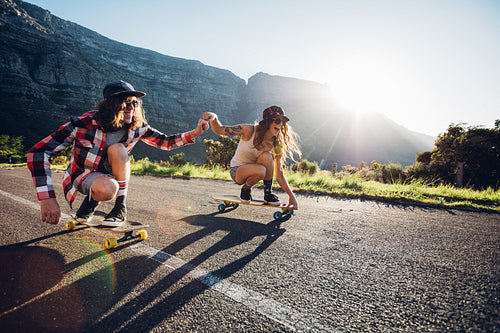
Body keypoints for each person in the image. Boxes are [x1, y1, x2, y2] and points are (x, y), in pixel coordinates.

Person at [28, 80, 209, 227]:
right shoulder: (82, 124)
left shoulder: (137, 127)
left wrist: (194, 133)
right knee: (109, 188)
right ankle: (91, 202)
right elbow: (38, 151)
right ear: (109, 105)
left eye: (134, 103)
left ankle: (119, 209)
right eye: (125, 103)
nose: (131, 107)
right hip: (83, 176)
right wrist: (47, 198)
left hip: (111, 177)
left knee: (118, 149)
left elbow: (166, 142)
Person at [203, 106, 301, 208]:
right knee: (261, 170)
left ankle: (268, 194)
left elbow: (279, 174)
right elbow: (220, 130)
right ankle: (246, 188)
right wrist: (213, 117)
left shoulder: (276, 144)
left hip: (256, 170)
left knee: (266, 156)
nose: (280, 124)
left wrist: (292, 196)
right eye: (277, 121)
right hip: (237, 171)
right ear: (267, 122)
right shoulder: (249, 130)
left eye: (283, 122)